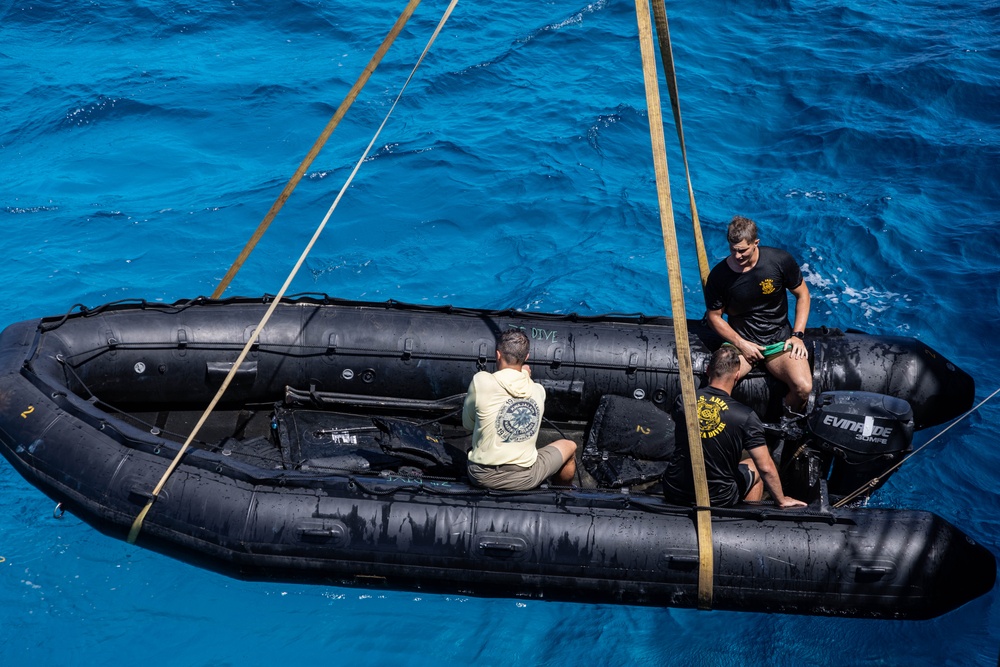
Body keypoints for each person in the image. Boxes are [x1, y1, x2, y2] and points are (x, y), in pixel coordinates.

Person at [662, 347, 806, 508]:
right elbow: (766, 467)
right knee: (754, 465)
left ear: (708, 370)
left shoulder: (683, 401)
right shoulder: (745, 416)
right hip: (718, 497)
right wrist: (781, 500)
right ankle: (746, 518)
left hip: (674, 489)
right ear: (737, 375)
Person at [704, 215, 812, 417]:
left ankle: (783, 425)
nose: (737, 256)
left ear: (756, 243)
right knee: (717, 386)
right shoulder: (719, 276)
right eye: (733, 250)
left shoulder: (780, 260)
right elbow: (714, 317)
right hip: (741, 343)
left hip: (779, 342)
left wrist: (798, 335)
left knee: (803, 387)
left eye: (743, 250)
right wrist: (742, 343)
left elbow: (803, 295)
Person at [463, 329, 577, 490]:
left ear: (498, 355)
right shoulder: (538, 391)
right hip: (523, 479)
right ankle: (563, 494)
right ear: (526, 358)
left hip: (481, 476)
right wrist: (524, 375)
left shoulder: (480, 381)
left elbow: (468, 424)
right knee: (570, 446)